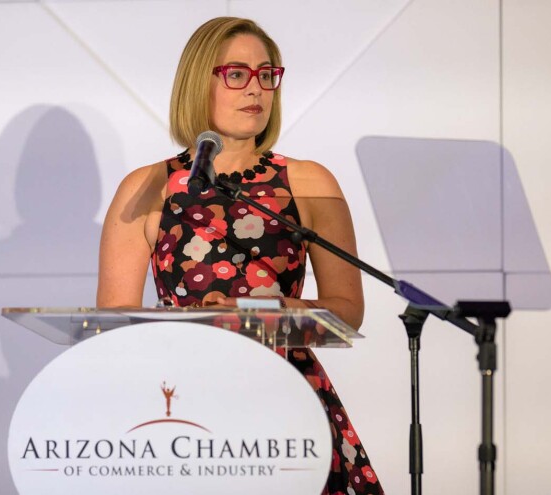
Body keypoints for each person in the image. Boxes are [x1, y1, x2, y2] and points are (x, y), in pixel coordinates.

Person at [97, 17, 383, 495]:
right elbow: (111, 327)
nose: (257, 88)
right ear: (197, 82)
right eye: (236, 74)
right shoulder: (147, 187)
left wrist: (259, 314)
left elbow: (347, 313)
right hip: (183, 410)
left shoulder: (310, 182)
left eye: (266, 74)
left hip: (288, 401)